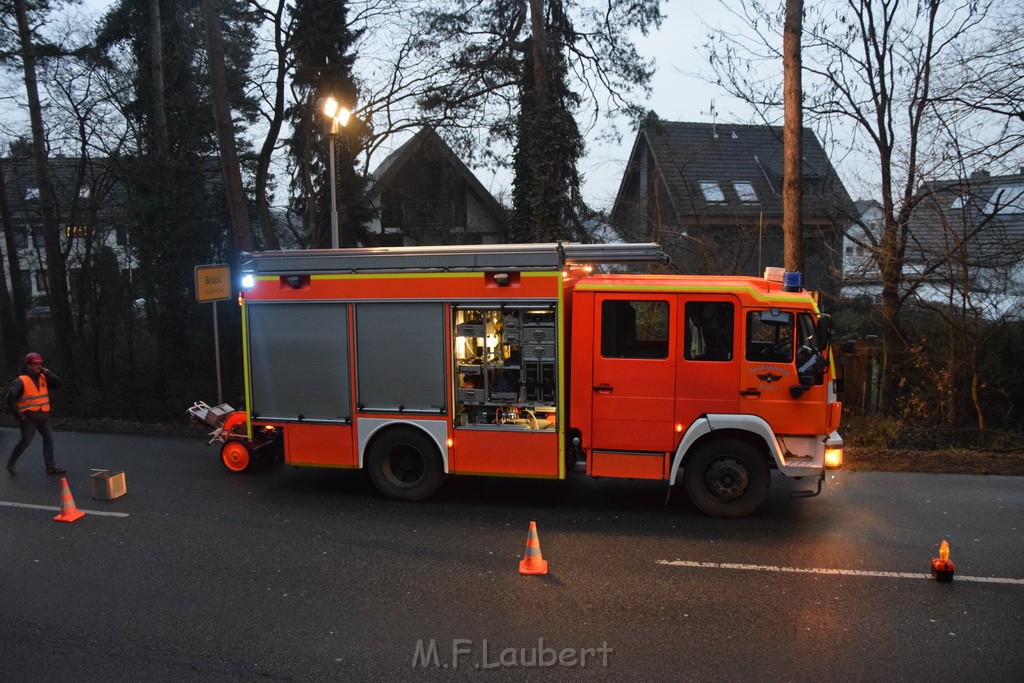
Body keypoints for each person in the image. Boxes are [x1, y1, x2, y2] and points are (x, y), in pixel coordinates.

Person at [6, 352, 65, 475]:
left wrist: (49, 373)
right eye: (36, 364)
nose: (39, 366)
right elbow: (9, 399)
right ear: (28, 365)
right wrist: (20, 416)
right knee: (26, 442)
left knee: (49, 440)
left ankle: (50, 467)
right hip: (28, 418)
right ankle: (11, 463)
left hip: (43, 416)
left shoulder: (43, 377)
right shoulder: (21, 381)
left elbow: (58, 384)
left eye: (40, 364)